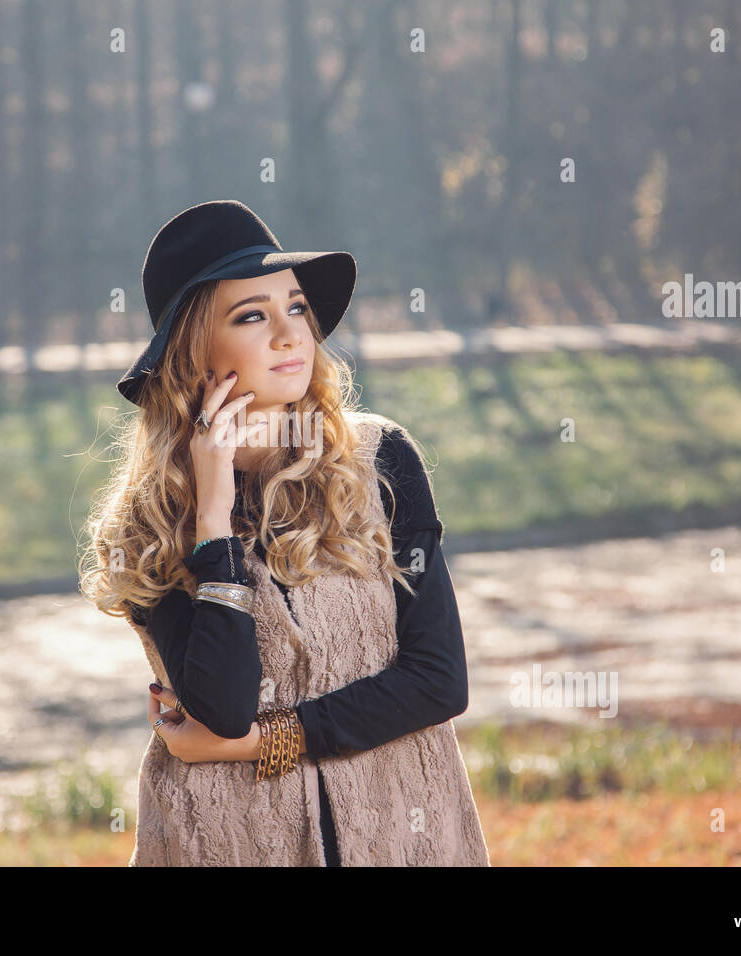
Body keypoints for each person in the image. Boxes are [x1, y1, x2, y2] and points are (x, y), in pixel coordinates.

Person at [79, 199, 489, 866]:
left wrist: (266, 744)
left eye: (296, 307)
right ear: (193, 349)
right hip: (227, 842)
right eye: (252, 316)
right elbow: (224, 707)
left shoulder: (381, 460)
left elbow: (439, 683)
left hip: (404, 835)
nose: (291, 333)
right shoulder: (150, 521)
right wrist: (213, 523)